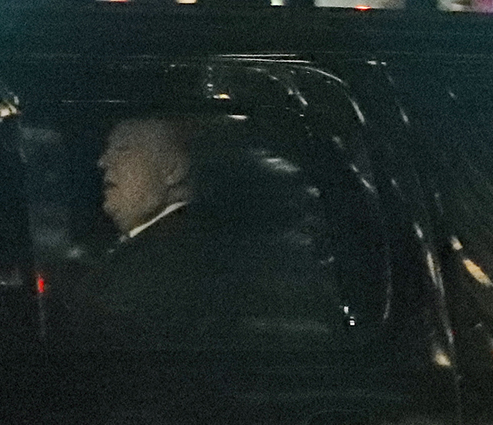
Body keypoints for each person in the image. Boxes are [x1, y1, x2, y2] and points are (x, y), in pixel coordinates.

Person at [66, 114, 341, 344]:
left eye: (122, 148)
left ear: (173, 170)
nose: (103, 162)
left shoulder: (168, 261)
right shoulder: (174, 246)